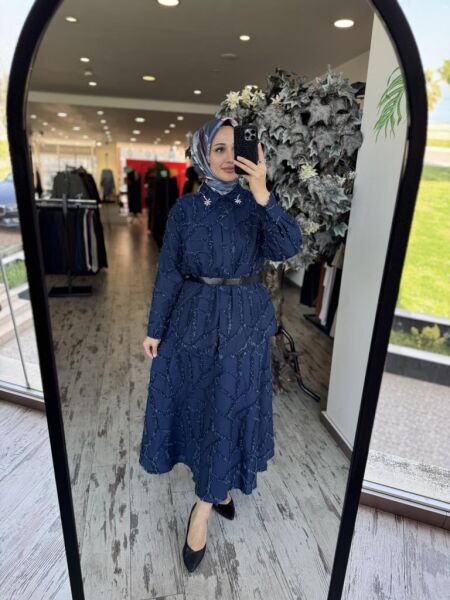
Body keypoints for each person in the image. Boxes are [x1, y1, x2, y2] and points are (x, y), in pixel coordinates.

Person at [139, 116, 302, 572]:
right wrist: (155, 328)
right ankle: (218, 487)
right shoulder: (185, 210)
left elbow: (289, 247)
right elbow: (169, 272)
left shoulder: (257, 205)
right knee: (203, 407)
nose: (230, 158)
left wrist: (264, 193)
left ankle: (204, 506)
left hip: (243, 326)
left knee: (231, 406)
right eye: (219, 149)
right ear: (203, 156)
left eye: (237, 148)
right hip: (193, 321)